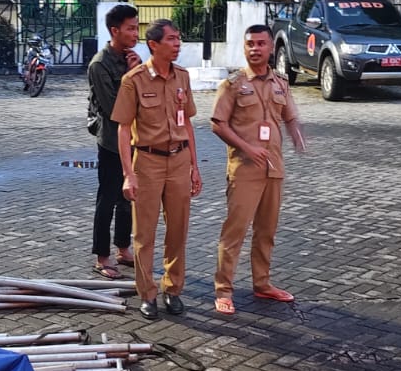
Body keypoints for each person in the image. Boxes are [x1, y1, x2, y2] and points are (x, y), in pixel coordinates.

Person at [211, 24, 305, 315]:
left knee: (267, 230)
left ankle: (262, 284)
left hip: (274, 168)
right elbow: (218, 124)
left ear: (270, 48)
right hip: (244, 169)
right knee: (235, 231)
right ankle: (223, 290)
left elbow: (289, 117)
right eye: (250, 43)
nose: (255, 48)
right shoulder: (233, 85)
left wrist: (298, 137)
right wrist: (248, 148)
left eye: (261, 43)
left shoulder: (281, 83)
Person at [110, 20, 202, 319]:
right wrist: (128, 173)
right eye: (172, 39)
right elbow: (124, 130)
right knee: (144, 234)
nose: (178, 44)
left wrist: (194, 167)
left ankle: (173, 289)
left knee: (178, 230)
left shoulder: (182, 78)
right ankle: (147, 293)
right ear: (154, 44)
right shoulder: (133, 80)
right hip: (147, 162)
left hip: (179, 160)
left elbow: (186, 123)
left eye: (179, 39)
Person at [88, 5, 142, 280]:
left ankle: (123, 248)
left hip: (134, 140)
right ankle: (102, 256)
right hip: (110, 141)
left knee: (128, 199)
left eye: (136, 27)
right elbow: (114, 108)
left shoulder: (131, 57)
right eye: (130, 28)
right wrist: (131, 76)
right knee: (107, 198)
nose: (136, 33)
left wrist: (137, 70)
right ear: (114, 30)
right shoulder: (100, 64)